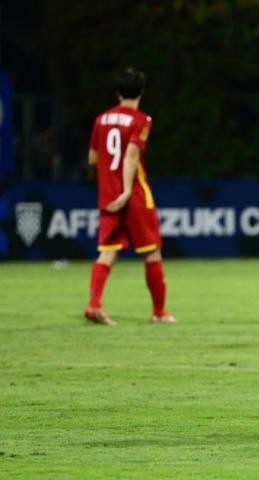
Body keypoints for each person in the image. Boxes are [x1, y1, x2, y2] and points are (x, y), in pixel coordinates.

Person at [83, 68, 175, 326]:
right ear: (142, 91)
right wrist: (125, 190)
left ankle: (94, 304)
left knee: (107, 251)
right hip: (132, 193)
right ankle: (158, 312)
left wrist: (107, 185)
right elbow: (131, 155)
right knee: (152, 251)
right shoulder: (141, 120)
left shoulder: (101, 120)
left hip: (108, 194)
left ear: (117, 92)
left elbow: (92, 159)